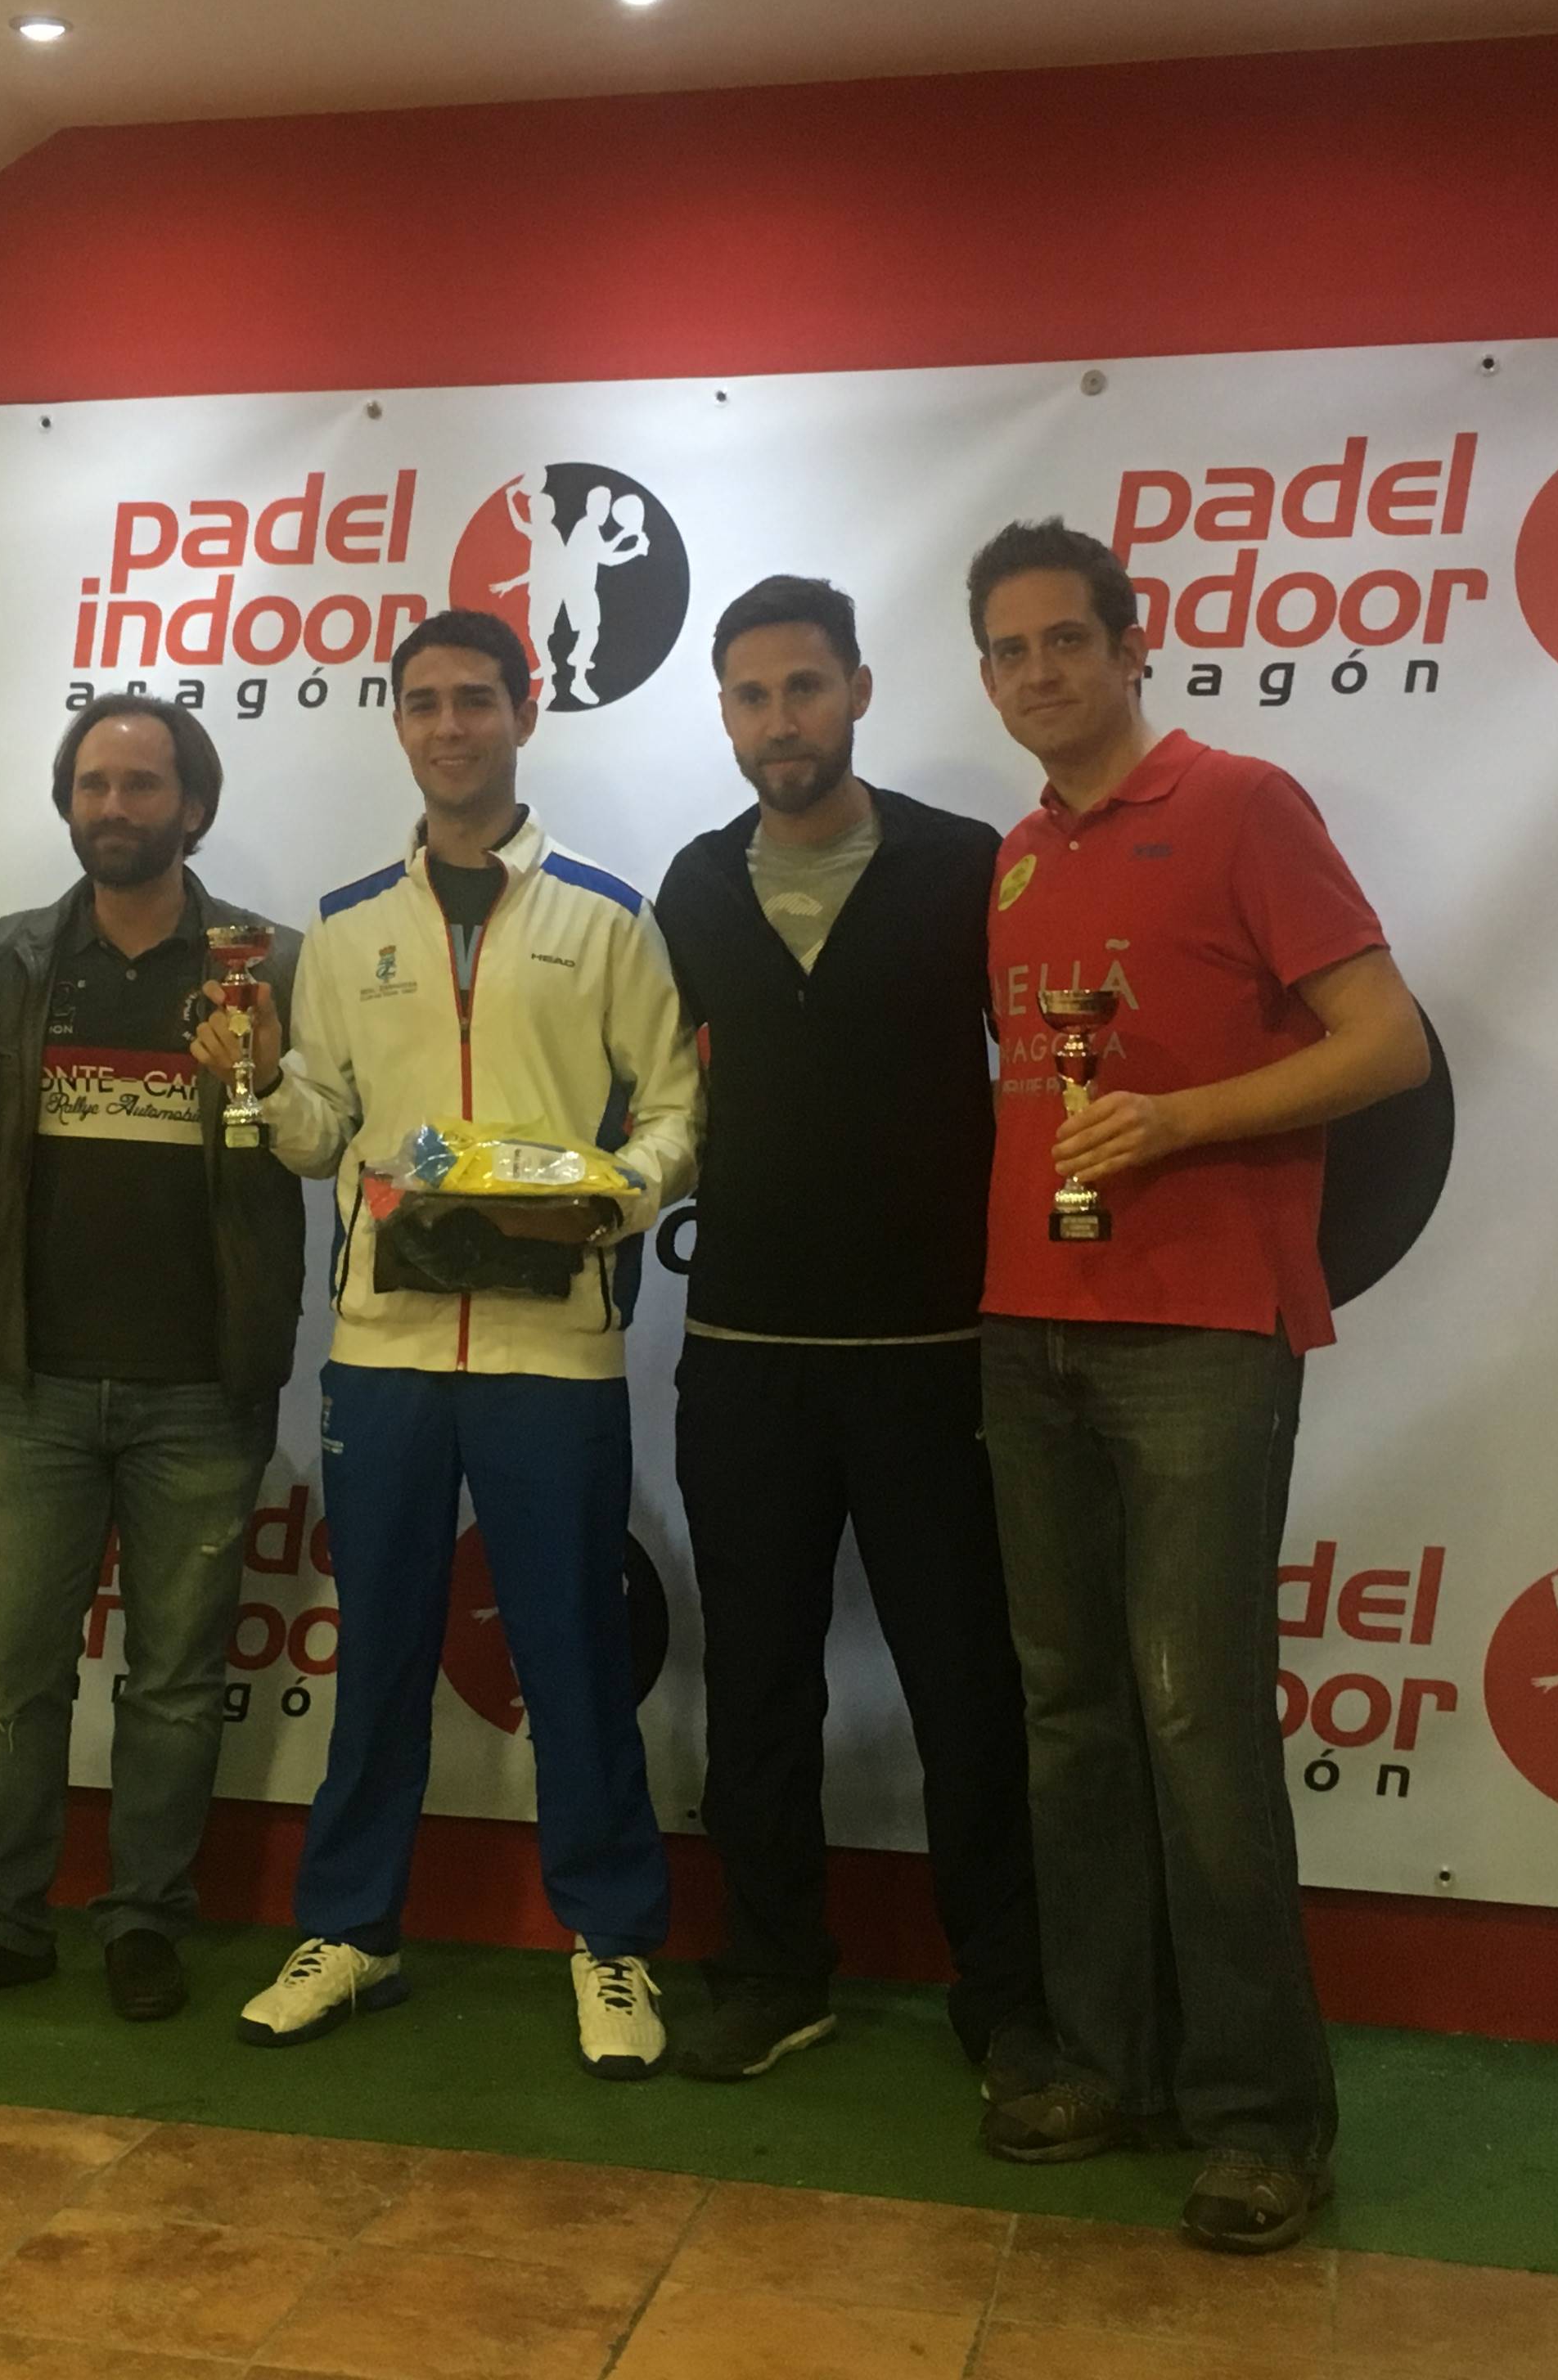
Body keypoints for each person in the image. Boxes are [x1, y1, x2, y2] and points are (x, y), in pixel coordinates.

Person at [964, 520, 1429, 2253]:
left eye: (1065, 641)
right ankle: (1108, 2062)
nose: (1039, 673)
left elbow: (1389, 1042)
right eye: (1009, 651)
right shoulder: (1018, 857)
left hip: (1202, 1336)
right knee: (1071, 1713)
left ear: (1131, 643)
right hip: (1027, 1324)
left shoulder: (1242, 804)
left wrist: (1179, 1121)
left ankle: (1259, 2120)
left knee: (1195, 1722)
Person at [196, 606, 701, 2078]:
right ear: (400, 724)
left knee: (575, 1652)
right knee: (381, 1652)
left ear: (525, 712)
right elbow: (321, 1131)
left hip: (556, 1352)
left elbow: (677, 1110)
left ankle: (612, 1944)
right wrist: (254, 1082)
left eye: (476, 699)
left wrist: (612, 1199)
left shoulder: (606, 916)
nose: (450, 726)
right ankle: (353, 1930)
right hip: (388, 1348)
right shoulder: (349, 926)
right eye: (424, 703)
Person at [651, 574, 1042, 2085]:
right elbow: (662, 1100)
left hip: (937, 1358)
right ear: (726, 714)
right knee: (757, 1683)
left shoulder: (968, 865)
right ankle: (773, 1973)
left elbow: (1045, 1079)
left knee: (969, 1689)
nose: (780, 721)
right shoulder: (694, 884)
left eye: (804, 688)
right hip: (745, 1358)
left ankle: (1008, 1996)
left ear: (860, 691)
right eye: (751, 697)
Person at [0, 693, 304, 2025]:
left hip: (204, 1386)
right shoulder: (7, 959)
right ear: (68, 803)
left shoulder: (273, 965)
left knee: (175, 1686)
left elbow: (309, 1142)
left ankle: (143, 1919)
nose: (114, 807)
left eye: (142, 784)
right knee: (10, 1673)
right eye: (93, 785)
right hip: (38, 1384)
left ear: (195, 806)